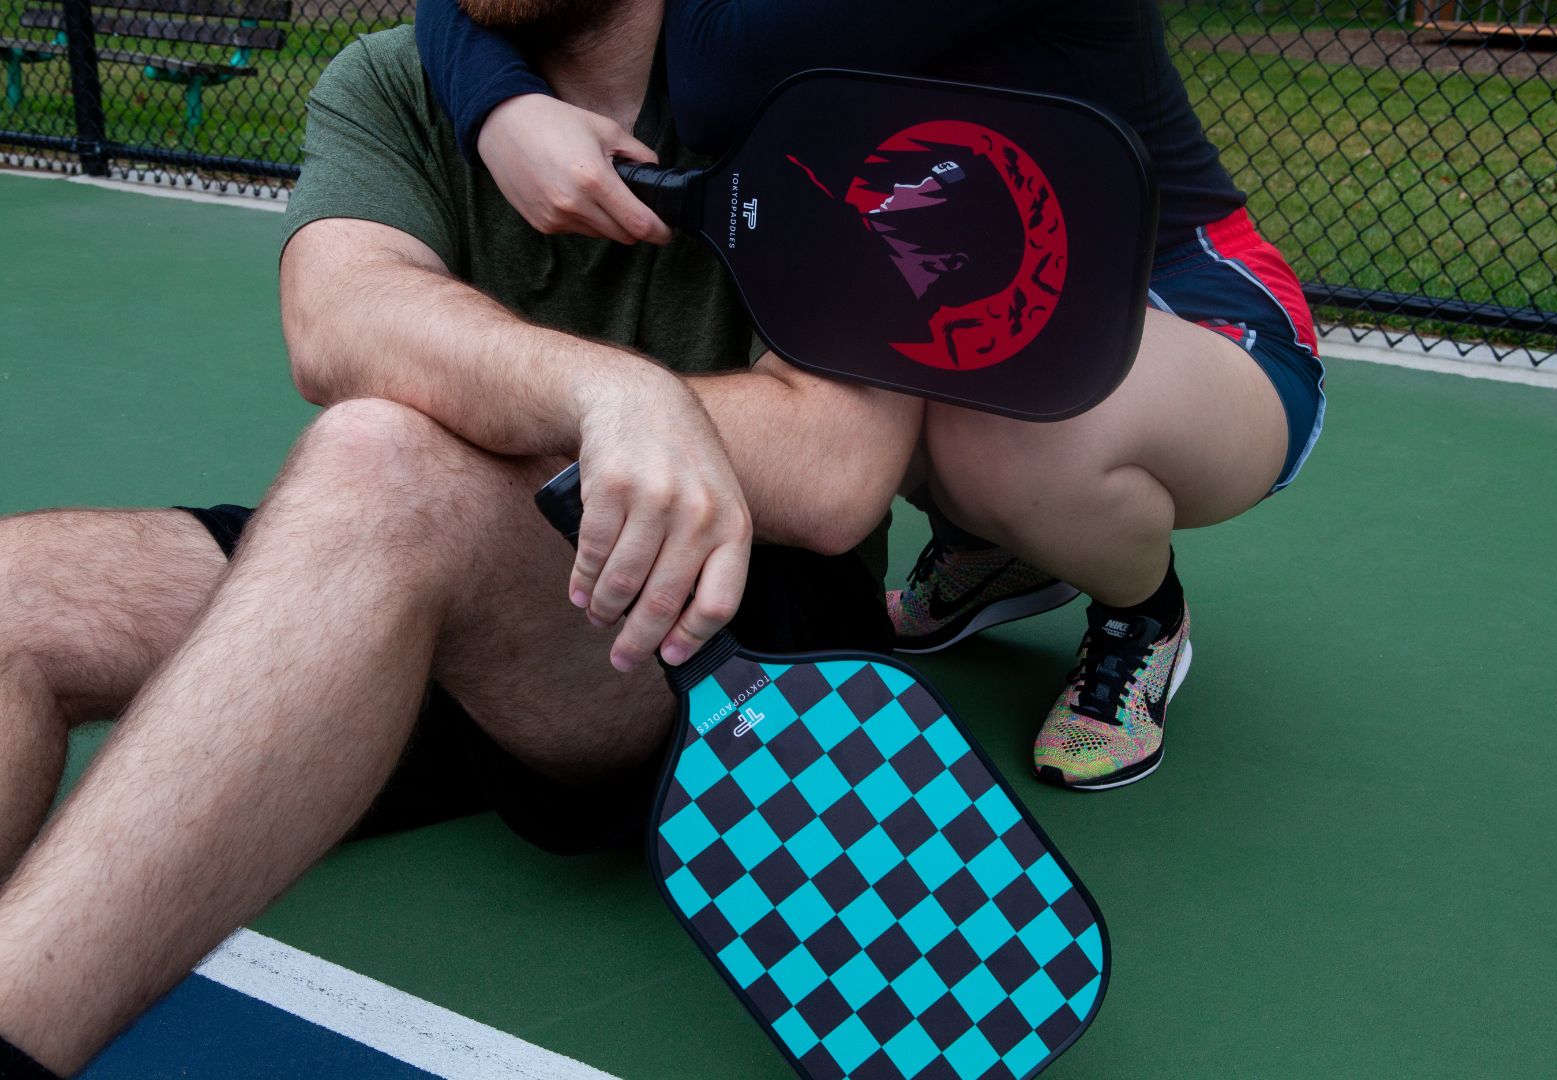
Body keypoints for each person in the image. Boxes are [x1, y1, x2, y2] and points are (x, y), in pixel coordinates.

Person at [0, 0, 917, 1074]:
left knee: (386, 462)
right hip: (439, 565)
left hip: (718, 639)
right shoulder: (394, 81)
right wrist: (603, 394)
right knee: (20, 586)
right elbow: (338, 315)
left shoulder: (843, 89)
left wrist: (613, 417)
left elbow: (837, 467)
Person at [413, 0, 1328, 790]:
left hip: (1184, 304)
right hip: (992, 294)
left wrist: (493, 93)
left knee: (998, 425)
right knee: (875, 345)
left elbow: (717, 79)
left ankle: (1143, 611)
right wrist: (503, 106)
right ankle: (999, 550)